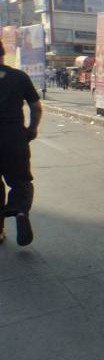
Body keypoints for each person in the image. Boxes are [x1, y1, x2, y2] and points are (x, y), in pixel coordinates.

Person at [0, 41, 41, 246]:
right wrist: (32, 129)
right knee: (21, 182)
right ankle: (20, 211)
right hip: (14, 139)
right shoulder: (19, 77)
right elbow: (36, 106)